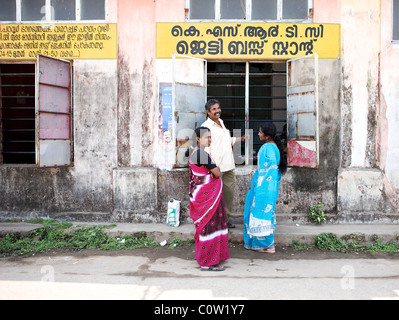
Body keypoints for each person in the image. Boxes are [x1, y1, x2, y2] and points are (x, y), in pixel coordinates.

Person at [201, 99, 248, 228]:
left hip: (228, 166)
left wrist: (240, 139)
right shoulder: (206, 126)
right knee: (214, 197)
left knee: (228, 196)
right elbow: (206, 148)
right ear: (208, 112)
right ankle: (213, 221)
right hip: (216, 168)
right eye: (214, 109)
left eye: (218, 108)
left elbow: (226, 140)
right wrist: (210, 167)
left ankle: (224, 221)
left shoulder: (221, 122)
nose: (217, 111)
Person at [188, 127, 229, 271]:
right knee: (209, 226)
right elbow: (217, 173)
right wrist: (216, 169)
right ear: (198, 139)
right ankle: (208, 263)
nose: (209, 140)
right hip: (207, 197)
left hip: (201, 197)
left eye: (210, 137)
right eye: (207, 137)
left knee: (205, 226)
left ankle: (204, 255)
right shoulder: (201, 154)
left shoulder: (195, 152)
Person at [243, 123, 287, 253]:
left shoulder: (268, 147)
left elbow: (268, 171)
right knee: (265, 215)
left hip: (264, 189)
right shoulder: (272, 147)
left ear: (267, 136)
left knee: (262, 215)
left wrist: (259, 187)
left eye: (260, 132)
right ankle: (265, 245)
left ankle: (267, 246)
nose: (258, 134)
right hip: (267, 188)